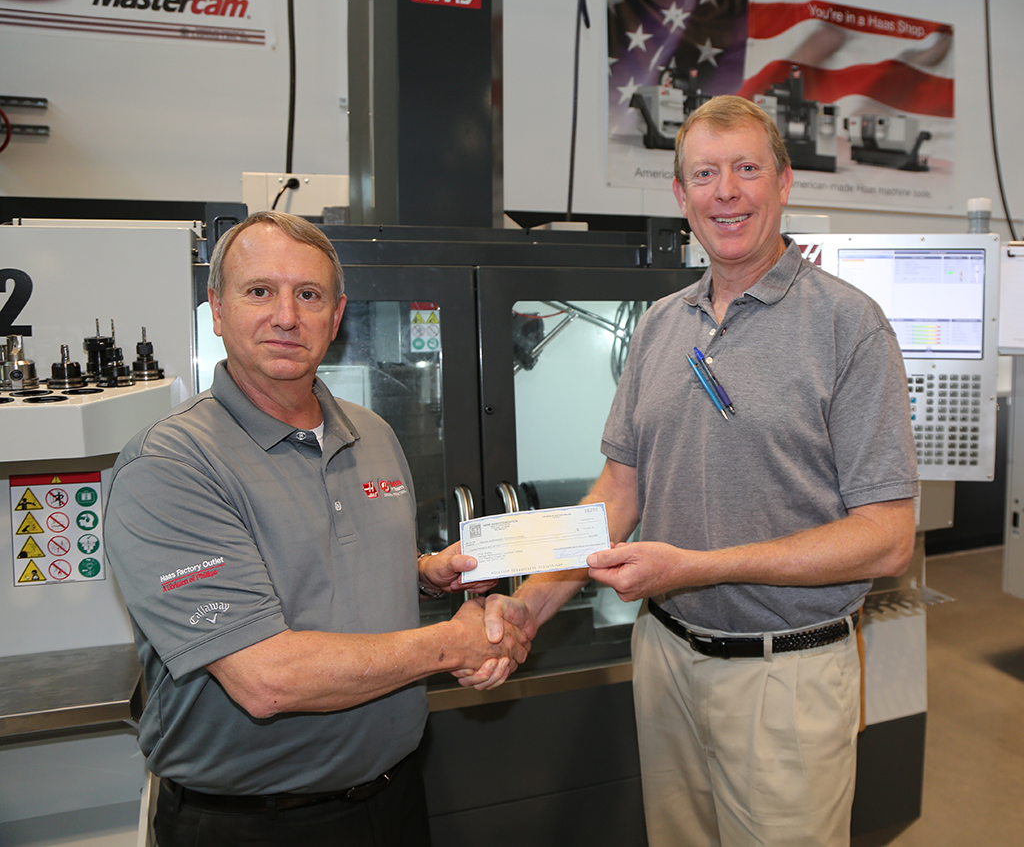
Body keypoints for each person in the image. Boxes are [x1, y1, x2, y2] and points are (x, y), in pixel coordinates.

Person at [488, 95, 919, 846]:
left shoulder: (848, 325)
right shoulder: (660, 326)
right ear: (681, 196)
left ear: (783, 183)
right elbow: (617, 494)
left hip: (784, 675)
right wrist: (527, 607)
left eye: (747, 169)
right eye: (706, 174)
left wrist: (692, 567)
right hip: (664, 658)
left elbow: (886, 540)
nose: (727, 192)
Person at [104, 211, 529, 847]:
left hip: (395, 795)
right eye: (259, 292)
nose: (285, 316)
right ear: (216, 310)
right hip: (254, 824)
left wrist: (422, 576)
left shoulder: (372, 434)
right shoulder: (169, 465)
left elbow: (321, 569)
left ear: (336, 316)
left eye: (308, 295)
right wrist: (455, 644)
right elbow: (266, 678)